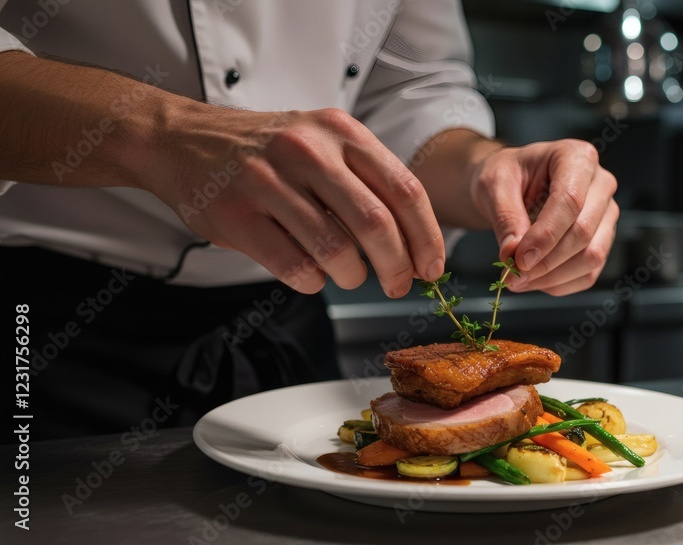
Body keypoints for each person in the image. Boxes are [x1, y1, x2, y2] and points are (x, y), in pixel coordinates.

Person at [0, 0, 618, 439]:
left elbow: (410, 94)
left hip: (284, 331)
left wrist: (485, 170)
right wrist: (165, 137)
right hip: (48, 330)